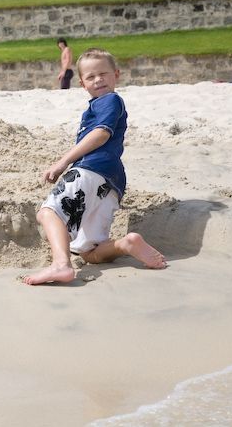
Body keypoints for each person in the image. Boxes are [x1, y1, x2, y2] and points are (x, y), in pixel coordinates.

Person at [24, 48, 167, 285]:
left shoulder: (108, 100)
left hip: (90, 169)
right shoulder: (101, 105)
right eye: (91, 77)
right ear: (82, 83)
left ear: (116, 74)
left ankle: (61, 265)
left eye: (103, 73)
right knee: (90, 252)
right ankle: (125, 244)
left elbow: (101, 134)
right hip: (111, 182)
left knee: (48, 213)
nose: (98, 79)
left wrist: (63, 161)